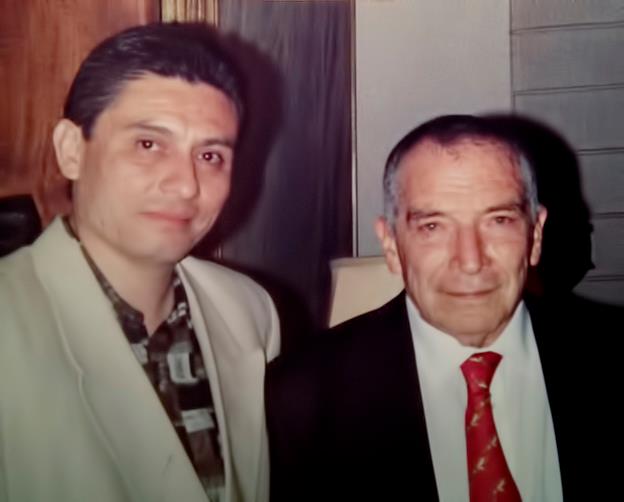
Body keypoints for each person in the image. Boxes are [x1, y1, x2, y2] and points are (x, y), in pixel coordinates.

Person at [266, 115, 621, 502]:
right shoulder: (302, 399)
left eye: (499, 220)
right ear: (391, 245)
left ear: (535, 236)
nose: (470, 261)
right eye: (433, 227)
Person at [0, 22, 280, 502]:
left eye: (210, 155)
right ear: (71, 151)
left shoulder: (249, 311)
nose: (186, 184)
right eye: (148, 145)